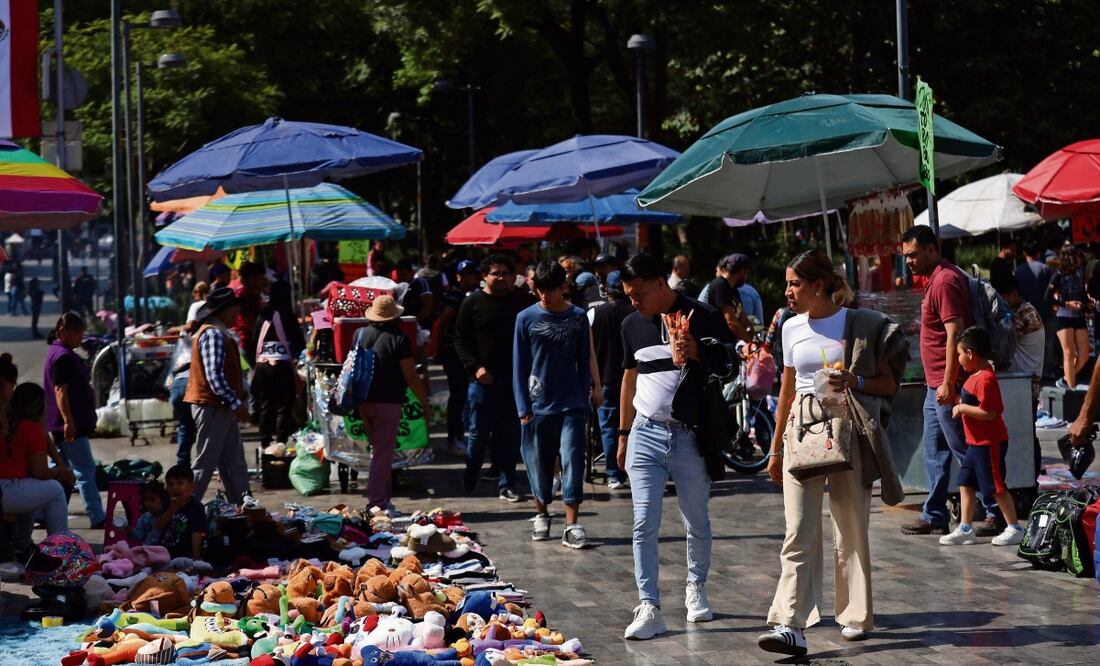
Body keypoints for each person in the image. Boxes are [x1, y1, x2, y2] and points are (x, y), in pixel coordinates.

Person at [757, 249, 904, 657]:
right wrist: (773, 449)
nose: (787, 291)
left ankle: (855, 615)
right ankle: (789, 622)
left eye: (794, 283)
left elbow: (888, 385)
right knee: (798, 529)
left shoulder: (857, 324)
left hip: (847, 426)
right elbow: (786, 389)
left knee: (851, 525)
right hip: (800, 430)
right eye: (787, 283)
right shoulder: (789, 327)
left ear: (818, 285)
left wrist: (854, 378)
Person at [617, 253, 735, 640]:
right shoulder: (631, 324)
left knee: (695, 519)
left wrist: (697, 349)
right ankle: (649, 605)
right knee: (642, 522)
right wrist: (622, 434)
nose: (634, 301)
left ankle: (696, 587)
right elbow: (629, 378)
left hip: (690, 434)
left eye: (638, 293)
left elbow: (729, 366)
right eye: (628, 295)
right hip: (645, 432)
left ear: (659, 284)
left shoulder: (700, 315)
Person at [899, 226, 1001, 536]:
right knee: (935, 451)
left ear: (933, 249)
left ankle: (993, 510)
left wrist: (947, 382)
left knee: (965, 448)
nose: (910, 262)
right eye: (906, 257)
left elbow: (954, 331)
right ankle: (935, 513)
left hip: (949, 384)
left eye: (914, 255)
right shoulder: (934, 280)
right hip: (936, 385)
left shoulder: (944, 280)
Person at [513, 261, 593, 548]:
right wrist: (523, 407)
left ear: (563, 287)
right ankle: (542, 513)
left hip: (571, 401)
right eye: (540, 290)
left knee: (573, 459)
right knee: (538, 461)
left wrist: (585, 396)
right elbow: (519, 365)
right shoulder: (525, 318)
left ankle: (572, 524)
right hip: (537, 403)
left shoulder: (578, 317)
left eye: (551, 290)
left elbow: (584, 361)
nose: (545, 296)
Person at [454, 254, 533, 502]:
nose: (501, 278)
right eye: (496, 273)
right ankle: (471, 472)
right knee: (478, 434)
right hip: (482, 381)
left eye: (506, 273)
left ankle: (506, 483)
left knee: (511, 433)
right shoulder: (472, 303)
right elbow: (460, 340)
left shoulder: (522, 302)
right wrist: (475, 368)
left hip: (514, 380)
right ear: (484, 276)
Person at [939, 327, 1024, 547]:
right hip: (975, 443)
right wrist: (956, 400)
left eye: (959, 353)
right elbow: (972, 402)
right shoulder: (975, 377)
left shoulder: (985, 379)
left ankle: (1014, 527)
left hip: (989, 443)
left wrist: (963, 408)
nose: (957, 359)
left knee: (996, 486)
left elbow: (991, 413)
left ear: (970, 353)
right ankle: (965, 528)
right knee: (965, 482)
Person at [354, 295, 430, 513]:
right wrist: (424, 401)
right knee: (382, 453)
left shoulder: (360, 334)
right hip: (387, 402)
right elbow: (411, 377)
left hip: (363, 400)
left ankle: (383, 500)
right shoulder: (400, 339)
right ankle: (376, 503)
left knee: (378, 452)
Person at [184, 287, 252, 505]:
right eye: (235, 309)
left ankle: (244, 508)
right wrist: (236, 404)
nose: (237, 314)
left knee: (234, 463)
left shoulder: (217, 332)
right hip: (213, 407)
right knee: (205, 464)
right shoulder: (213, 334)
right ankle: (186, 510)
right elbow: (215, 378)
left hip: (220, 407)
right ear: (225, 311)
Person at [43, 312, 106, 528]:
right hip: (69, 426)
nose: (81, 337)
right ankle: (97, 516)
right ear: (63, 332)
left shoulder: (61, 353)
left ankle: (45, 513)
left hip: (64, 424)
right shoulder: (62, 357)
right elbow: (61, 391)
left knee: (61, 470)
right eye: (78, 333)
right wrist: (69, 420)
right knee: (85, 471)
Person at [1, 382, 73, 558]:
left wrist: (59, 467)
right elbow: (41, 472)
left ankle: (21, 545)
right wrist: (59, 472)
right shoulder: (30, 428)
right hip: (7, 490)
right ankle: (60, 548)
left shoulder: (10, 423)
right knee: (55, 491)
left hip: (5, 489)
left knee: (35, 492)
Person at [430, 260, 481, 457]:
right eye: (469, 274)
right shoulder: (454, 296)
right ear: (459, 276)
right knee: (458, 396)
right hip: (453, 353)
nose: (474, 277)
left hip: (462, 353)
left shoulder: (466, 295)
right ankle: (454, 439)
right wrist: (437, 350)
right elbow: (443, 322)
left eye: (474, 273)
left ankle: (460, 436)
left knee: (463, 396)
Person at [589, 271, 634, 490]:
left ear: (606, 289)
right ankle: (633, 470)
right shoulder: (637, 313)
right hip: (634, 378)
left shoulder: (594, 313)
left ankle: (613, 473)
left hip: (604, 378)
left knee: (608, 428)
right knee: (634, 426)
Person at [251, 281, 306, 446]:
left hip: (262, 365)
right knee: (284, 406)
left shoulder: (263, 314)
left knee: (266, 405)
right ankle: (281, 442)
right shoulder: (287, 314)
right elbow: (298, 342)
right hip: (281, 364)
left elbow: (254, 338)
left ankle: (265, 442)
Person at [1047, 245, 1091, 388]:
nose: (1079, 258)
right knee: (1069, 354)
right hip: (1064, 316)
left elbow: (1083, 294)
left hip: (1078, 316)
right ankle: (1070, 390)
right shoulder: (1058, 275)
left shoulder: (1079, 272)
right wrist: (1066, 304)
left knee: (1084, 354)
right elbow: (1047, 298)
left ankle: (1065, 379)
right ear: (1070, 257)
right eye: (1077, 255)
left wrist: (1086, 303)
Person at [996, 277, 1045, 399]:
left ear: (1014, 294)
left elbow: (997, 339)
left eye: (1003, 299)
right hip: (1026, 381)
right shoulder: (1027, 310)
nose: (1001, 304)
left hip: (1025, 383)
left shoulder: (1024, 315)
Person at [155, 465, 207, 560]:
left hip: (185, 554)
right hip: (165, 552)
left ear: (191, 487)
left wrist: (196, 557)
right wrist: (171, 510)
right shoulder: (167, 503)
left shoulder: (196, 507)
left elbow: (197, 533)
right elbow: (158, 526)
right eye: (170, 484)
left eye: (180, 483)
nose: (175, 487)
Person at [704, 253, 754, 341]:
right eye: (747, 273)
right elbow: (731, 321)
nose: (747, 277)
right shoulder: (720, 285)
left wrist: (754, 337)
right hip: (717, 344)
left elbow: (743, 318)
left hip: (729, 343)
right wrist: (750, 343)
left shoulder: (733, 289)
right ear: (742, 271)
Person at [229, 261, 269, 369]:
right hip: (249, 342)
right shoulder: (245, 295)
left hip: (253, 342)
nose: (263, 281)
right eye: (260, 278)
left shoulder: (254, 294)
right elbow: (249, 322)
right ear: (252, 279)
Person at [130, 480, 170, 545]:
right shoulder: (144, 518)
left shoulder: (168, 516)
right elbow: (139, 535)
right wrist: (130, 531)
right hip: (147, 549)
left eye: (152, 499)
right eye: (146, 499)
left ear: (162, 500)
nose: (148, 503)